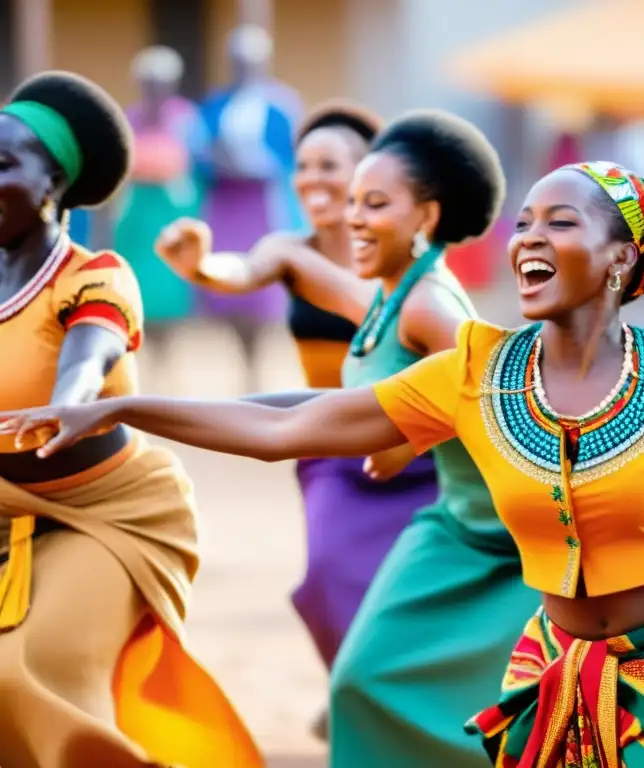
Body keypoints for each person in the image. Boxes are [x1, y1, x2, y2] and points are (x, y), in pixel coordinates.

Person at [0, 147, 644, 764]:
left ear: (622, 259)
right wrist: (125, 404)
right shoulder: (477, 372)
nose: (530, 238)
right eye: (526, 223)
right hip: (563, 672)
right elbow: (291, 422)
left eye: (562, 223)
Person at [160, 108, 541, 766]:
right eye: (304, 166)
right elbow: (252, 281)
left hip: (476, 512)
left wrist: (403, 436)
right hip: (373, 471)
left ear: (420, 210)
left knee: (412, 675)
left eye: (363, 191)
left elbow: (496, 403)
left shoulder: (426, 302)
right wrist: (199, 267)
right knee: (346, 630)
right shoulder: (348, 279)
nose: (326, 191)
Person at [0, 71, 260, 768]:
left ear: (53, 184)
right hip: (4, 507)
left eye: (4, 164)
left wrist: (70, 401)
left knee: (33, 667)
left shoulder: (96, 274)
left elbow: (92, 350)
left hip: (108, 514)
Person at [156, 99, 430, 742]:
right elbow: (235, 271)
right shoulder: (288, 248)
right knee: (324, 583)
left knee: (412, 589)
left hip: (415, 445)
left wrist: (313, 272)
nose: (313, 180)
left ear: (374, 174)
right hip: (332, 448)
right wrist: (197, 262)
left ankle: (383, 700)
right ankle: (353, 685)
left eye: (330, 165)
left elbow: (403, 321)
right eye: (303, 166)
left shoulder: (411, 260)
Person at [195, 23, 304, 390]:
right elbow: (199, 155)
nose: (244, 66)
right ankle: (242, 361)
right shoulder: (216, 105)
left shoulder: (281, 104)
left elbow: (292, 157)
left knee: (263, 283)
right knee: (229, 282)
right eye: (237, 60)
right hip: (227, 202)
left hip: (262, 203)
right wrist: (218, 162)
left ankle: (260, 367)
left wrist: (257, 164)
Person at [114, 46, 205, 354]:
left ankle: (170, 350)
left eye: (160, 83)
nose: (154, 89)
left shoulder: (185, 118)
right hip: (138, 212)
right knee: (140, 281)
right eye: (148, 82)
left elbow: (189, 161)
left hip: (172, 208)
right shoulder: (131, 117)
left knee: (171, 279)